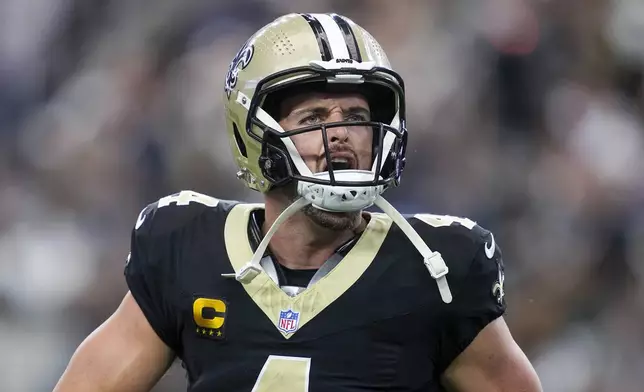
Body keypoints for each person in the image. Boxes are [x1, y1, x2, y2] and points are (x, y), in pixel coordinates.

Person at [54, 12, 542, 392]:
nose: (342, 136)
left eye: (355, 116)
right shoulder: (183, 246)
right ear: (256, 135)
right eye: (313, 118)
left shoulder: (438, 268)